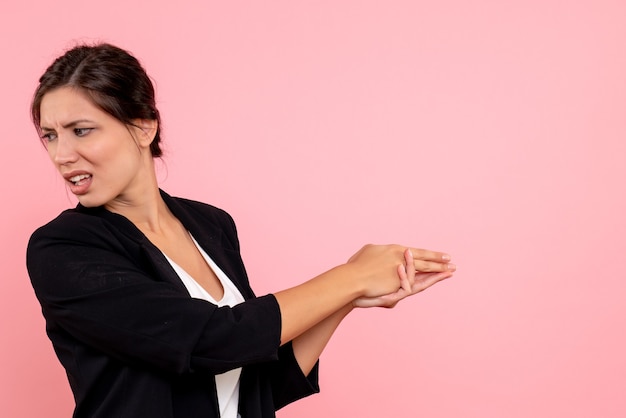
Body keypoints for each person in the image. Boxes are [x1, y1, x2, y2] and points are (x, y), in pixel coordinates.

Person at [26, 43, 456, 418]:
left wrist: (347, 298)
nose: (62, 154)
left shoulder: (211, 224)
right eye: (49, 136)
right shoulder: (62, 250)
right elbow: (214, 341)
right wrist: (351, 275)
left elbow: (259, 383)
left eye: (81, 131)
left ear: (143, 126)